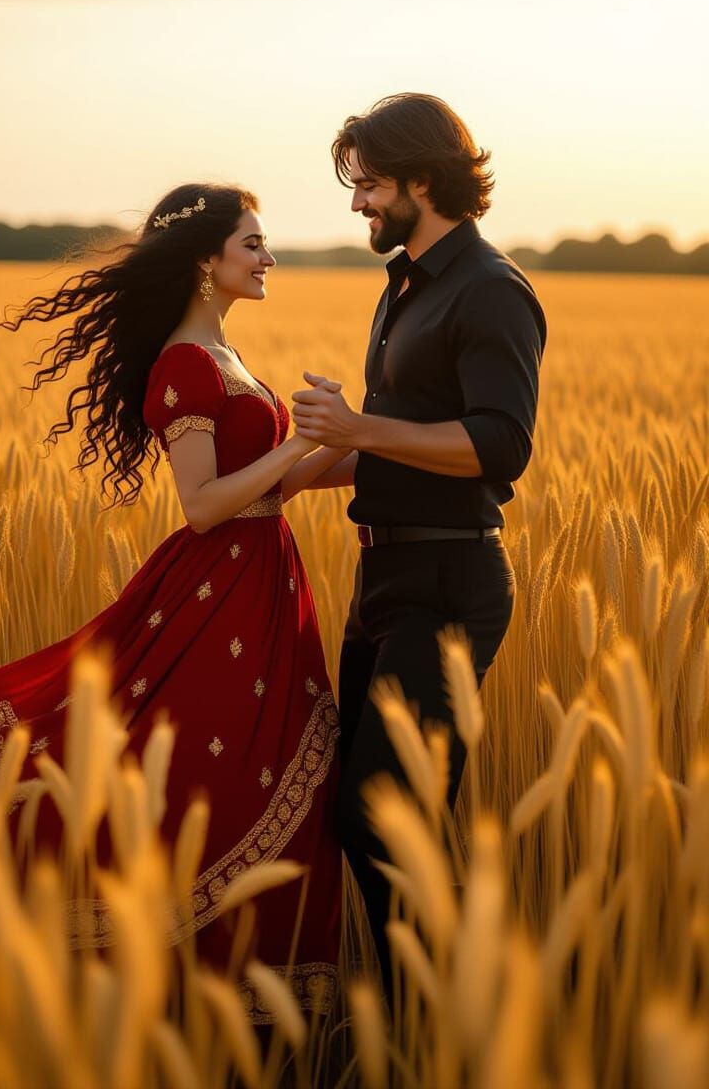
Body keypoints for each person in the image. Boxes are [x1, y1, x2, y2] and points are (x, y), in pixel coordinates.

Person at [0, 182, 346, 1016]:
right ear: (207, 261)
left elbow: (272, 491)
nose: (268, 256)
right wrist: (303, 445)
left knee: (279, 777)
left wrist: (364, 441)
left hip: (263, 582)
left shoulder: (227, 357)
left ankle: (245, 1001)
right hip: (218, 598)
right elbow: (204, 504)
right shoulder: (185, 363)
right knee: (210, 785)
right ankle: (191, 1002)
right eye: (254, 243)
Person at [291, 93, 547, 998]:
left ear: (422, 181)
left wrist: (357, 428)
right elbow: (389, 442)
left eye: (368, 185)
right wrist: (278, 479)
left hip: (449, 575)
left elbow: (499, 445)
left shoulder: (491, 291)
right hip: (386, 574)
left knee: (384, 814)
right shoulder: (403, 284)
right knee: (359, 813)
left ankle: (439, 1012)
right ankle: (423, 1005)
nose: (358, 203)